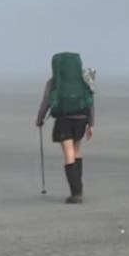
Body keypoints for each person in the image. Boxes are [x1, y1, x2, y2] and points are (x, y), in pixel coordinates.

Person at [35, 52, 96, 204]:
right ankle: (79, 189)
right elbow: (90, 102)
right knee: (76, 150)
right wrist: (91, 124)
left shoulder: (54, 82)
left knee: (68, 153)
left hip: (64, 120)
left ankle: (76, 194)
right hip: (82, 119)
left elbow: (46, 103)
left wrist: (39, 119)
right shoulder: (84, 79)